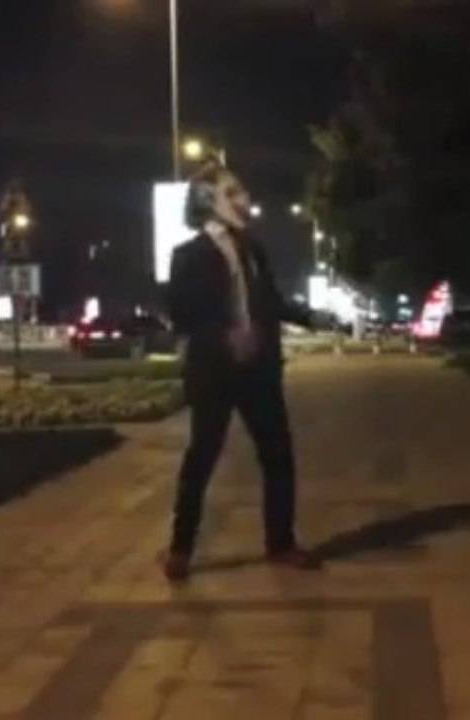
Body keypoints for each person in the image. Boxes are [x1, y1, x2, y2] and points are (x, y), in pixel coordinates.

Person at [161, 162, 325, 582]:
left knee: (278, 456)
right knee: (202, 457)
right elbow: (182, 315)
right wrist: (225, 336)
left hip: (260, 370)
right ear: (207, 202)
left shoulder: (254, 250)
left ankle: (281, 544)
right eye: (232, 193)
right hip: (215, 372)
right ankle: (180, 548)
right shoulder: (188, 256)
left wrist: (310, 317)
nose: (245, 200)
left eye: (243, 191)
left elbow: (270, 301)